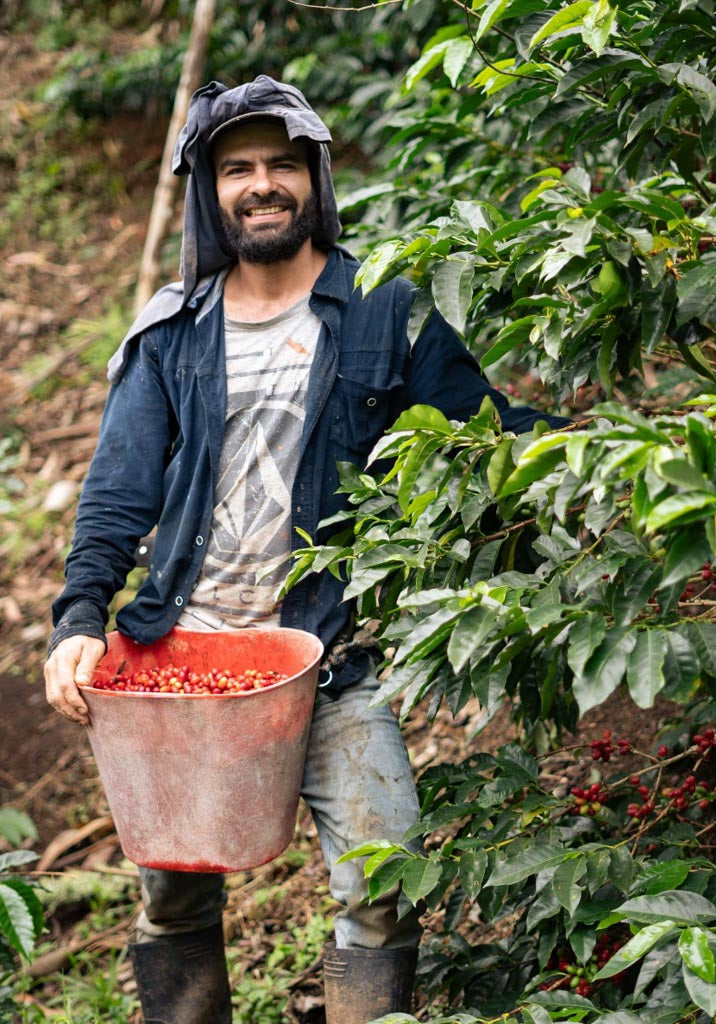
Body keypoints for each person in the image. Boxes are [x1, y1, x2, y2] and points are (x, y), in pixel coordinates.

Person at [44, 76, 569, 1024]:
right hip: (185, 656)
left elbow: (486, 428)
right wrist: (80, 618)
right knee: (175, 894)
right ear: (210, 190)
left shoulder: (386, 309)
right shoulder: (172, 329)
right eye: (237, 167)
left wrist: (592, 457)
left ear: (315, 178)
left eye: (282, 163)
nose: (261, 184)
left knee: (382, 880)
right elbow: (117, 493)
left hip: (325, 652)